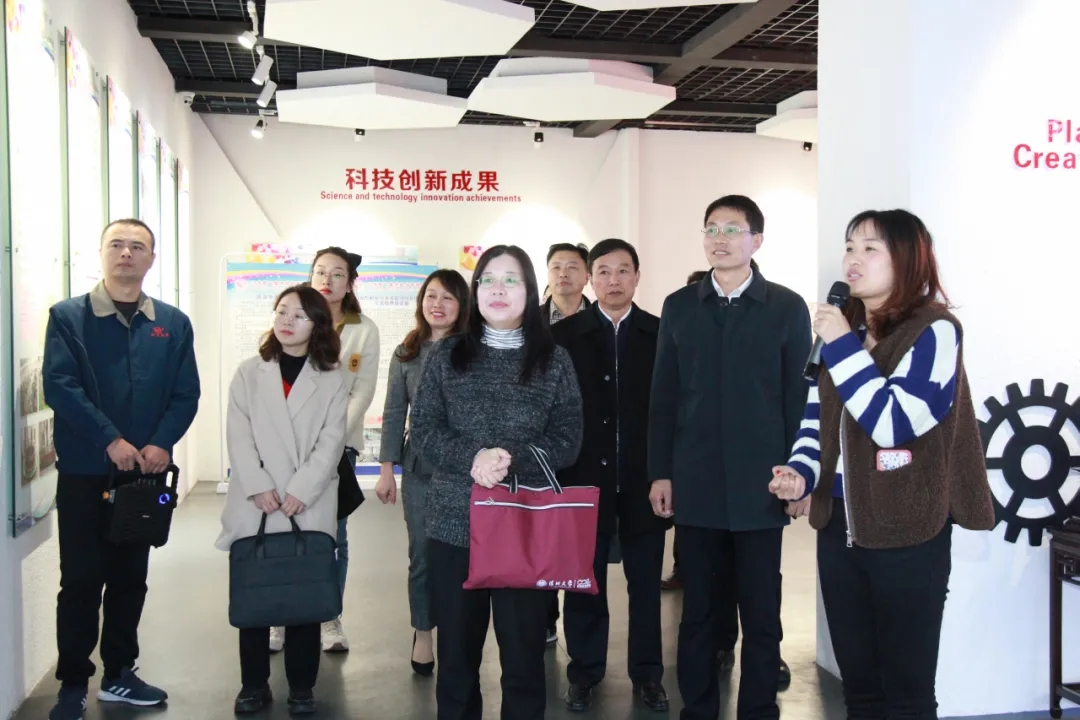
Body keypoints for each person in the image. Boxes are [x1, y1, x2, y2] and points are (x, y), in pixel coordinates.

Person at [769, 209, 994, 719]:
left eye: (871, 248)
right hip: (839, 529)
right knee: (861, 689)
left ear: (907, 259)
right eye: (850, 247)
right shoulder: (844, 331)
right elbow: (816, 423)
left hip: (907, 530)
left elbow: (892, 422)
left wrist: (843, 346)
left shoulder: (934, 331)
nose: (853, 258)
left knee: (907, 692)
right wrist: (800, 474)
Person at [648, 195, 811, 720]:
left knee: (761, 615)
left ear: (756, 240)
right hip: (696, 485)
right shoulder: (680, 306)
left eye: (732, 229)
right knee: (697, 613)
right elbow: (663, 397)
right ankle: (698, 711)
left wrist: (801, 476)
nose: (720, 239)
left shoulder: (786, 307)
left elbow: (798, 400)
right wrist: (660, 473)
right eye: (711, 228)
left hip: (762, 487)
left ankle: (758, 710)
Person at [410, 245, 583, 720]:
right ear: (476, 291)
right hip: (453, 526)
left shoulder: (554, 360)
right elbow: (423, 429)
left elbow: (568, 439)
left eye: (511, 280)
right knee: (456, 661)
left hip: (524, 528)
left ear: (529, 291)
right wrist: (473, 459)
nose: (498, 289)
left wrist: (509, 461)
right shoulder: (447, 354)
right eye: (488, 279)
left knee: (524, 661)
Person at [42, 219, 200, 720]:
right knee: (81, 580)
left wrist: (161, 442)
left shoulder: (172, 323)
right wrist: (110, 439)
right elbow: (60, 386)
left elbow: (186, 393)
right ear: (102, 253)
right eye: (116, 244)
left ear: (151, 258)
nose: (126, 253)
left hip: (142, 477)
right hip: (85, 472)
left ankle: (119, 674)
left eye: (137, 246)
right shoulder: (68, 317)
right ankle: (72, 683)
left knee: (131, 577)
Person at [218, 285, 348, 716]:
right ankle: (253, 684)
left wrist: (301, 489)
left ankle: (302, 687)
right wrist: (258, 484)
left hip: (305, 502)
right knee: (255, 595)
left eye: (299, 315)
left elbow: (331, 441)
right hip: (257, 502)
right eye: (281, 311)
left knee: (304, 598)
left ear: (318, 325)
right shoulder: (249, 373)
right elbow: (238, 434)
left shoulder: (332, 378)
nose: (287, 320)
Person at [552, 239, 670, 713]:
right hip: (583, 479)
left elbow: (674, 409)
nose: (613, 280)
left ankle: (648, 675)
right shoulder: (564, 337)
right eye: (603, 271)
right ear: (589, 278)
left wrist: (665, 472)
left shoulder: (659, 333)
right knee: (583, 582)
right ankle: (584, 672)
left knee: (645, 585)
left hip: (645, 481)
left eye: (623, 271)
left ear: (637, 277)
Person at [270, 247, 379, 655]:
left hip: (338, 449)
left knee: (334, 534)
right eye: (320, 271)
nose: (327, 280)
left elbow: (362, 391)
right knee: (284, 530)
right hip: (287, 447)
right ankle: (280, 616)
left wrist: (329, 440)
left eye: (337, 274)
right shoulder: (292, 318)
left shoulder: (363, 329)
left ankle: (329, 616)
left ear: (350, 283)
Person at [374, 269, 470, 676]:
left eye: (448, 297)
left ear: (462, 305)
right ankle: (423, 632)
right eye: (431, 295)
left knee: (464, 554)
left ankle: (459, 632)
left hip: (466, 471)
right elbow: (395, 411)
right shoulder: (407, 352)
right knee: (422, 555)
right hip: (420, 470)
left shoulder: (475, 350)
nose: (438, 304)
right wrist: (386, 469)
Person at [541, 241, 590, 642]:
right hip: (541, 445)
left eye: (572, 266)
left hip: (589, 444)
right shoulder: (531, 322)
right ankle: (544, 618)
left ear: (586, 275)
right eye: (556, 266)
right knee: (542, 535)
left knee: (578, 540)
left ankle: (579, 626)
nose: (563, 274)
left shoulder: (601, 320)